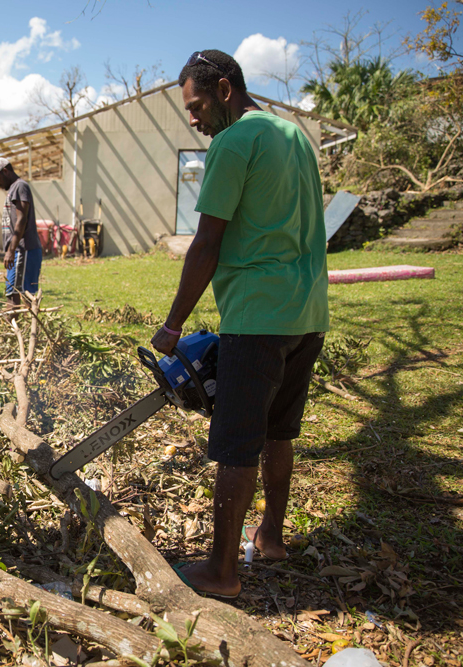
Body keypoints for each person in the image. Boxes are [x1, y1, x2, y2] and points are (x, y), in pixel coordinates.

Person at [149, 50, 330, 599]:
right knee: (279, 430)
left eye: (198, 105)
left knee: (234, 445)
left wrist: (174, 324)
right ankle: (271, 538)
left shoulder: (234, 142)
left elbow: (208, 241)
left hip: (257, 316)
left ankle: (221, 571)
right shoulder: (295, 136)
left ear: (225, 90)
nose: (194, 119)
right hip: (307, 311)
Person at [0, 157, 42, 308]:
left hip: (23, 250)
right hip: (19, 251)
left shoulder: (20, 186)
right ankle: (24, 330)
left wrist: (11, 250)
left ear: (5, 171)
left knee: (17, 296)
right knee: (17, 295)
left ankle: (25, 330)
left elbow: (22, 220)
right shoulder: (14, 189)